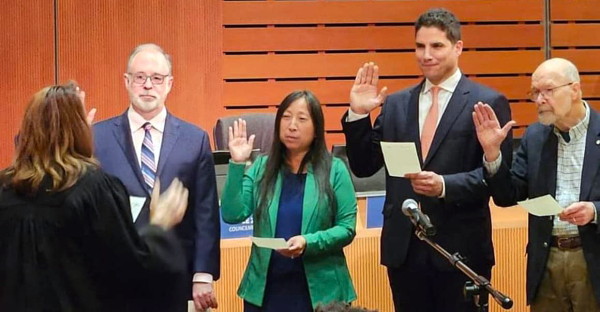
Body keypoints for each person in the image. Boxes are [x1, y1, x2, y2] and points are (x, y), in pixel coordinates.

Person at [342, 8, 513, 312]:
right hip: (405, 252)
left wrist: (445, 185)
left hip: (461, 252)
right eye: (420, 46)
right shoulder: (396, 104)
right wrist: (358, 115)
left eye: (436, 46)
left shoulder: (486, 102)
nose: (426, 55)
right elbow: (364, 166)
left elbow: (499, 186)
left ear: (457, 47)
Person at [0, 82, 189, 312]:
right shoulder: (95, 189)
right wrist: (159, 226)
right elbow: (130, 271)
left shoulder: (6, 188)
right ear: (78, 130)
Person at [93, 43, 220, 311]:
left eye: (157, 78)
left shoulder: (194, 139)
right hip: (115, 276)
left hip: (176, 273)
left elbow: (205, 212)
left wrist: (203, 274)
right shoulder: (97, 137)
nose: (148, 85)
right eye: (140, 77)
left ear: (170, 84)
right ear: (127, 82)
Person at [473, 57, 600, 312]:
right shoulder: (535, 136)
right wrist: (492, 154)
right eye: (535, 92)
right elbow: (509, 194)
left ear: (575, 90)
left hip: (593, 257)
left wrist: (595, 211)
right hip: (547, 258)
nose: (540, 100)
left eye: (548, 91)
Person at [221, 90, 357, 311]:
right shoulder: (261, 168)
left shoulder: (335, 170)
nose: (292, 125)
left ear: (316, 130)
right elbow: (232, 214)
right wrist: (237, 163)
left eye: (302, 119)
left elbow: (346, 228)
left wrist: (308, 242)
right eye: (286, 117)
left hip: (322, 293)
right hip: (266, 290)